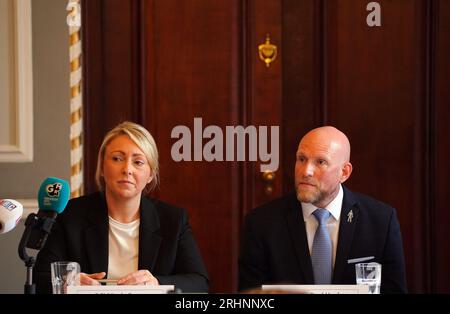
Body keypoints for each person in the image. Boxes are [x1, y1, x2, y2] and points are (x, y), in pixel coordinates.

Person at [34, 121, 209, 293]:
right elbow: (39, 277)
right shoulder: (71, 215)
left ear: (150, 174)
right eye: (117, 158)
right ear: (102, 167)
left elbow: (199, 282)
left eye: (138, 162)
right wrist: (68, 282)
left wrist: (156, 283)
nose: (127, 169)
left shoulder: (173, 220)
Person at [238, 126, 407, 293]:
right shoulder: (261, 224)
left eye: (320, 162)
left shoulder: (381, 221)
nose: (306, 171)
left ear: (344, 172)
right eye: (302, 159)